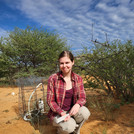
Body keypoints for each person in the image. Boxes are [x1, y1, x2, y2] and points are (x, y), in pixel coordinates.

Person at [47, 50, 90, 134]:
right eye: (61, 63)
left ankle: (76, 131)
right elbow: (50, 101)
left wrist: (77, 105)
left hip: (71, 111)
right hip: (58, 113)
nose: (64, 66)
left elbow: (82, 97)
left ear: (72, 62)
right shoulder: (53, 79)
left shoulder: (78, 78)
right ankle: (61, 131)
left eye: (67, 62)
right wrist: (61, 112)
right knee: (68, 127)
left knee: (85, 112)